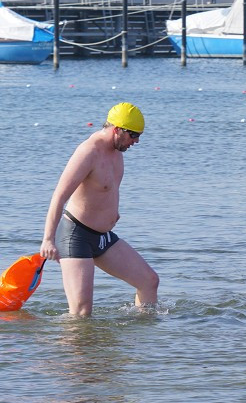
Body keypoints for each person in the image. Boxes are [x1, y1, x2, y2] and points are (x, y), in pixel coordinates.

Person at [40, 102, 159, 317]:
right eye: (133, 135)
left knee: (149, 281)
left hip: (103, 237)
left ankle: (145, 339)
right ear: (117, 129)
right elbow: (59, 196)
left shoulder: (117, 151)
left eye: (139, 135)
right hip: (76, 236)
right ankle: (64, 349)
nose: (137, 141)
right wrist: (48, 239)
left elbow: (106, 189)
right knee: (81, 313)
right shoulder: (88, 152)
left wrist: (112, 213)